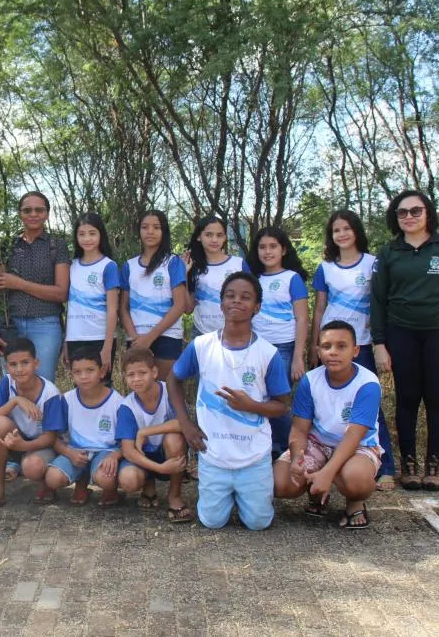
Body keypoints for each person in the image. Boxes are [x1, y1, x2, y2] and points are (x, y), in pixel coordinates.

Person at [167, 272, 291, 530]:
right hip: (214, 454)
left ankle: (246, 495)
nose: (236, 301)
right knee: (212, 521)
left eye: (246, 297)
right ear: (221, 303)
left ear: (257, 307)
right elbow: (173, 379)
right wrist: (186, 424)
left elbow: (282, 406)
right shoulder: (201, 346)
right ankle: (228, 496)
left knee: (258, 523)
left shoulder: (268, 353)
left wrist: (251, 406)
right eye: (230, 296)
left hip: (253, 456)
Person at [372, 190, 439, 491]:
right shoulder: (388, 253)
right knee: (407, 397)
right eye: (402, 212)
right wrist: (379, 343)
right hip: (401, 332)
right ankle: (409, 465)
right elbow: (377, 299)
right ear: (395, 217)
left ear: (427, 213)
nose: (409, 217)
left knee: (436, 397)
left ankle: (433, 465)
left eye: (415, 211)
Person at [309, 210, 397, 491]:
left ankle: (385, 467)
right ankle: (327, 463)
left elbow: (382, 302)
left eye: (347, 228)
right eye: (336, 230)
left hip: (363, 344)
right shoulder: (325, 268)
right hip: (330, 346)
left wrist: (381, 341)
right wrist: (315, 345)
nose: (342, 234)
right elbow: (319, 309)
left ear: (356, 231)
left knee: (370, 408)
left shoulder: (373, 263)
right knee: (327, 406)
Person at [274, 321, 382, 529]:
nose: (333, 352)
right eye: (326, 346)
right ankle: (315, 491)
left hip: (357, 447)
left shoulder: (368, 384)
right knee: (281, 482)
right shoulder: (310, 380)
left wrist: (327, 473)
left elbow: (353, 436)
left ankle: (354, 502)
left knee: (356, 480)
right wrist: (297, 459)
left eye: (342, 346)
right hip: (318, 444)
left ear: (355, 351)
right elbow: (299, 429)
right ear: (318, 351)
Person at [0, 338, 64, 515]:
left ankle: (46, 483)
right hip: (16, 441)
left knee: (32, 467)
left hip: (42, 446)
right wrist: (14, 401)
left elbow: (51, 438)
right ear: (6, 367)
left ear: (36, 363)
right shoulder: (7, 382)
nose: (19, 369)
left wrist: (23, 446)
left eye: (25, 363)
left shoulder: (50, 393)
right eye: (13, 364)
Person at [0, 191, 71, 382]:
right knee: (13, 385)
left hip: (46, 325)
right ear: (20, 213)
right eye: (27, 210)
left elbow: (61, 293)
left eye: (39, 210)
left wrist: (19, 284)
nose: (33, 214)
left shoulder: (57, 245)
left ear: (47, 214)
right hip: (10, 326)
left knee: (43, 383)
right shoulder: (6, 246)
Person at [246, 226, 309, 456]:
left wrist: (298, 357)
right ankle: (265, 448)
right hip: (255, 347)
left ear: (283, 250)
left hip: (283, 347)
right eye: (262, 247)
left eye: (273, 246)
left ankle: (286, 448)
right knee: (257, 397)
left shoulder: (292, 278)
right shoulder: (253, 279)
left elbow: (302, 318)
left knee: (277, 400)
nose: (267, 252)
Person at [115, 347, 191, 523]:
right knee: (128, 480)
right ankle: (148, 486)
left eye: (142, 373)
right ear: (125, 377)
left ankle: (174, 495)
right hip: (146, 458)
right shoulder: (127, 406)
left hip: (168, 452)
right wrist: (160, 468)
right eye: (130, 375)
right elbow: (128, 450)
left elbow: (184, 423)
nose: (136, 379)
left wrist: (145, 431)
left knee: (174, 438)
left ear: (154, 372)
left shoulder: (170, 391)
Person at [43, 346, 124, 507]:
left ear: (102, 371)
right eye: (77, 372)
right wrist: (69, 452)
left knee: (106, 479)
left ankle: (110, 489)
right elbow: (53, 437)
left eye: (90, 370)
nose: (84, 377)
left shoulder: (118, 402)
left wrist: (114, 456)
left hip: (106, 451)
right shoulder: (66, 400)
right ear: (72, 374)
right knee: (52, 478)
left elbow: (128, 441)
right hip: (77, 451)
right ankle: (82, 483)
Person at [120, 210, 187, 378]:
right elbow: (123, 307)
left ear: (164, 231)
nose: (150, 232)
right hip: (136, 338)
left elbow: (180, 305)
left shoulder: (173, 263)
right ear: (139, 231)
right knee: (140, 387)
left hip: (167, 336)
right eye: (145, 227)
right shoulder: (129, 266)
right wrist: (135, 338)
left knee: (166, 388)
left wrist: (150, 337)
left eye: (156, 227)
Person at [62, 212, 120, 385]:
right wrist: (66, 341)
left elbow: (112, 309)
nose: (87, 239)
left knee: (102, 387)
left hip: (99, 338)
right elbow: (70, 308)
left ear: (101, 235)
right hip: (75, 340)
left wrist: (107, 347)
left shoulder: (108, 266)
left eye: (92, 233)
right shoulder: (71, 266)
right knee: (81, 387)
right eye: (82, 234)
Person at [183, 216, 248, 337]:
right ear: (199, 237)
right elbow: (188, 309)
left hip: (236, 334)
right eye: (208, 235)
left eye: (219, 235)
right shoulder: (192, 267)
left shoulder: (239, 264)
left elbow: (252, 301)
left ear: (225, 237)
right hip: (202, 333)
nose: (214, 240)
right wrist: (184, 274)